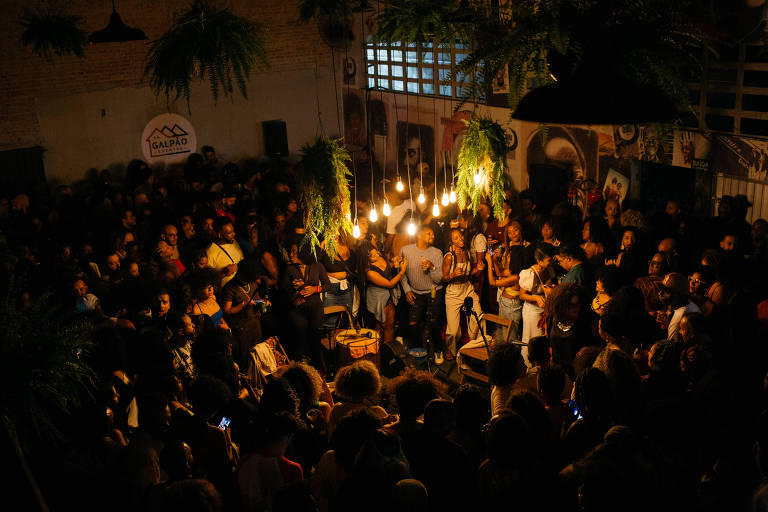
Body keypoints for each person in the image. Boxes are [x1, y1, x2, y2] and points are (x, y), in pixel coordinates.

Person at [281, 238, 332, 366]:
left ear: (303, 253)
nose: (291, 255)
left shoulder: (317, 266)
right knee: (300, 341)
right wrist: (293, 289)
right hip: (297, 311)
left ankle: (318, 369)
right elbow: (282, 290)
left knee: (315, 340)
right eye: (290, 252)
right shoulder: (289, 269)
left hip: (315, 309)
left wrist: (315, 289)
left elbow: (328, 285)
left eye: (294, 252)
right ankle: (301, 371)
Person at [399, 225, 444, 359]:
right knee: (413, 324)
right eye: (429, 233)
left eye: (433, 234)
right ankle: (417, 353)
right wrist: (407, 290)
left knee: (434, 323)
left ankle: (437, 350)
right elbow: (402, 274)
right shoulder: (405, 250)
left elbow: (439, 279)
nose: (433, 236)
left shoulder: (437, 253)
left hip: (434, 291)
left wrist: (432, 267)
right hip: (415, 292)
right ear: (419, 235)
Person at [486, 221, 531, 344]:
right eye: (509, 232)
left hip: (512, 304)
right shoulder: (507, 250)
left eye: (515, 230)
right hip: (504, 301)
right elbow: (500, 273)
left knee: (510, 339)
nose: (512, 234)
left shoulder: (516, 275)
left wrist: (489, 264)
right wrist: (494, 260)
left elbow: (493, 282)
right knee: (502, 336)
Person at [442, 228, 484, 362]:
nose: (460, 239)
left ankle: (476, 345)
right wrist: (452, 274)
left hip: (467, 288)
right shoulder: (449, 256)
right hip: (453, 292)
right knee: (453, 331)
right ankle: (450, 349)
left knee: (479, 317)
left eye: (460, 236)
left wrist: (478, 269)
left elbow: (469, 273)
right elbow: (443, 278)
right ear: (451, 241)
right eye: (456, 238)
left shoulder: (466, 252)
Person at [364, 243, 407, 344]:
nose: (376, 256)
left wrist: (395, 263)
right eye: (371, 255)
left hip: (389, 296)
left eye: (376, 253)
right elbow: (390, 283)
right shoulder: (370, 271)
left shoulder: (381, 258)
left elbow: (390, 270)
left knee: (390, 324)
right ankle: (377, 352)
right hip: (378, 298)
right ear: (366, 258)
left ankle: (389, 350)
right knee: (380, 326)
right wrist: (402, 271)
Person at [519, 244, 557, 354]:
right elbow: (521, 295)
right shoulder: (529, 274)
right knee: (532, 338)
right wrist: (535, 298)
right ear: (539, 261)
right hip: (532, 312)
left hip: (545, 311)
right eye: (549, 260)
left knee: (542, 339)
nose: (551, 262)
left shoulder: (549, 270)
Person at [658, 272, 700, 341]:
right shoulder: (689, 305)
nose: (660, 293)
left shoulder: (681, 316)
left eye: (667, 291)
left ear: (677, 295)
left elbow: (671, 346)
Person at [206, 216, 244, 286]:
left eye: (233, 231)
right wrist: (223, 273)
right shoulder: (210, 253)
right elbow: (207, 282)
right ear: (220, 235)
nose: (234, 234)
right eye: (229, 232)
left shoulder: (234, 242)